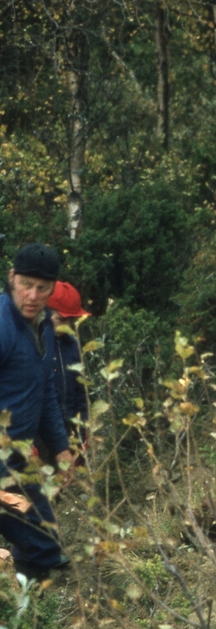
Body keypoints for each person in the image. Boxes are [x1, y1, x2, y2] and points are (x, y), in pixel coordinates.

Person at [0, 243, 75, 580]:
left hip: (17, 453)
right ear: (11, 277)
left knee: (48, 544)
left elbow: (44, 393)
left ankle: (35, 593)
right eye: (26, 284)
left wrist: (60, 446)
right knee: (23, 526)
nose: (32, 295)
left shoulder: (43, 327)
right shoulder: (2, 327)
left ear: (52, 289)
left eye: (42, 288)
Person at [45, 281, 89, 443]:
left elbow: (80, 391)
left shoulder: (73, 344)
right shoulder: (32, 344)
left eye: (71, 320)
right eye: (61, 319)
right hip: (39, 432)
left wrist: (83, 427)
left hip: (69, 427)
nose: (67, 325)